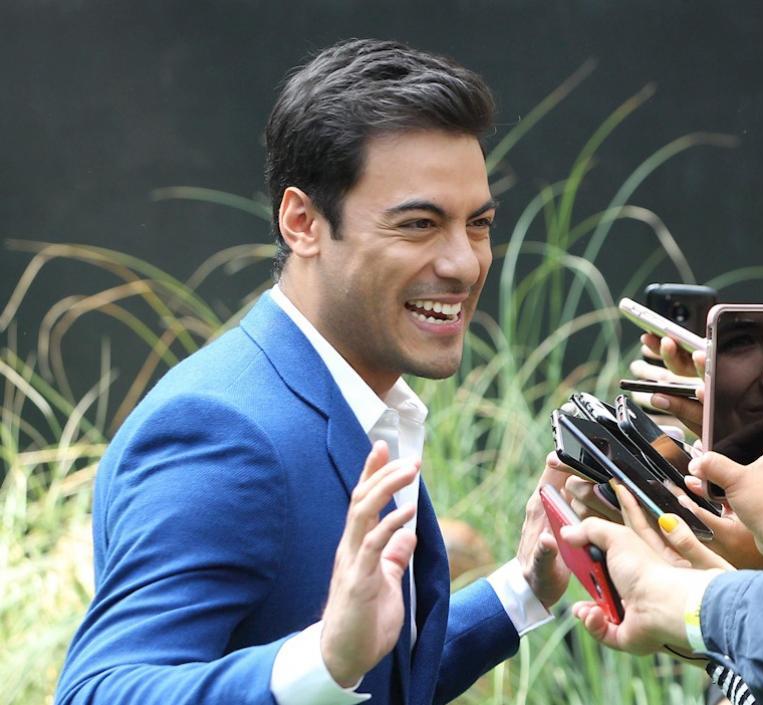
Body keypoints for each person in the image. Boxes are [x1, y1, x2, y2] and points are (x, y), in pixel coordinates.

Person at [55, 40, 568, 705]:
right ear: (302, 222)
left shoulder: (352, 398)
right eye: (418, 224)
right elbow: (97, 691)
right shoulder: (224, 431)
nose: (466, 263)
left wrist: (525, 586)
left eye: (478, 223)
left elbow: (380, 676)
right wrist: (325, 658)